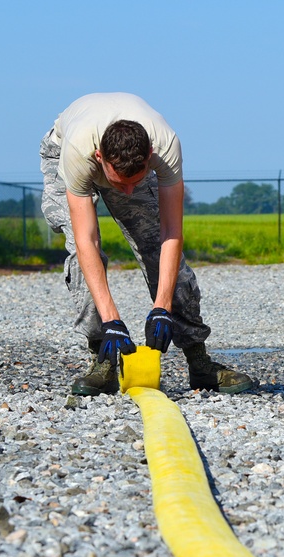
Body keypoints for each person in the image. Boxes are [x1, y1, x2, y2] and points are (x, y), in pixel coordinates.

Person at [39, 92, 257, 396]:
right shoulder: (79, 153)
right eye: (119, 184)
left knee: (159, 248)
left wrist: (162, 308)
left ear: (150, 155)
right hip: (63, 148)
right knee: (81, 256)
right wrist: (111, 319)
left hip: (125, 156)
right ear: (101, 159)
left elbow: (171, 232)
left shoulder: (166, 147)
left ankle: (200, 362)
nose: (127, 192)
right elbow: (87, 240)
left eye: (136, 181)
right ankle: (102, 361)